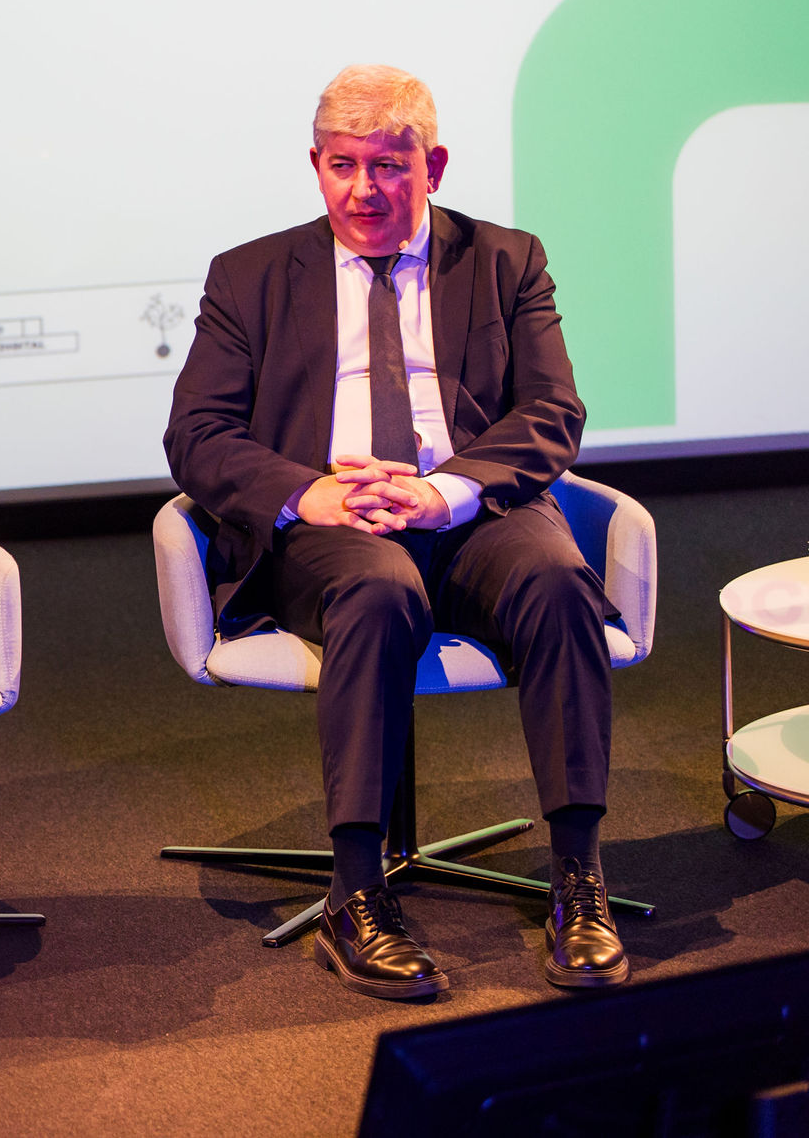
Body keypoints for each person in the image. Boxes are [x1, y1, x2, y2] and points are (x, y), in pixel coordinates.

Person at [163, 65, 627, 999]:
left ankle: (579, 876)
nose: (363, 190)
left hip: (468, 510)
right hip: (331, 526)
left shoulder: (505, 261)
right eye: (343, 166)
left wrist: (442, 491)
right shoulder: (249, 276)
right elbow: (197, 434)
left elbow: (552, 411)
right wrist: (310, 494)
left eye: (387, 166)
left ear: (433, 167)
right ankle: (356, 891)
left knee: (558, 581)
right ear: (316, 165)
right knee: (379, 589)